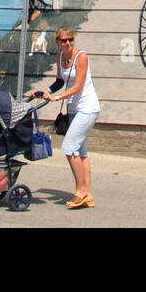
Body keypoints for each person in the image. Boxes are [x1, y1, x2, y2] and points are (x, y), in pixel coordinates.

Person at [31, 26, 100, 209]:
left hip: (88, 108)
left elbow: (78, 86)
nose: (68, 43)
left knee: (69, 148)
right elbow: (61, 81)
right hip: (74, 109)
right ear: (58, 42)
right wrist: (47, 91)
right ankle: (88, 194)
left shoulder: (81, 56)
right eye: (64, 40)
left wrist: (57, 97)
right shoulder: (61, 57)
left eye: (70, 39)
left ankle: (80, 191)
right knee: (81, 153)